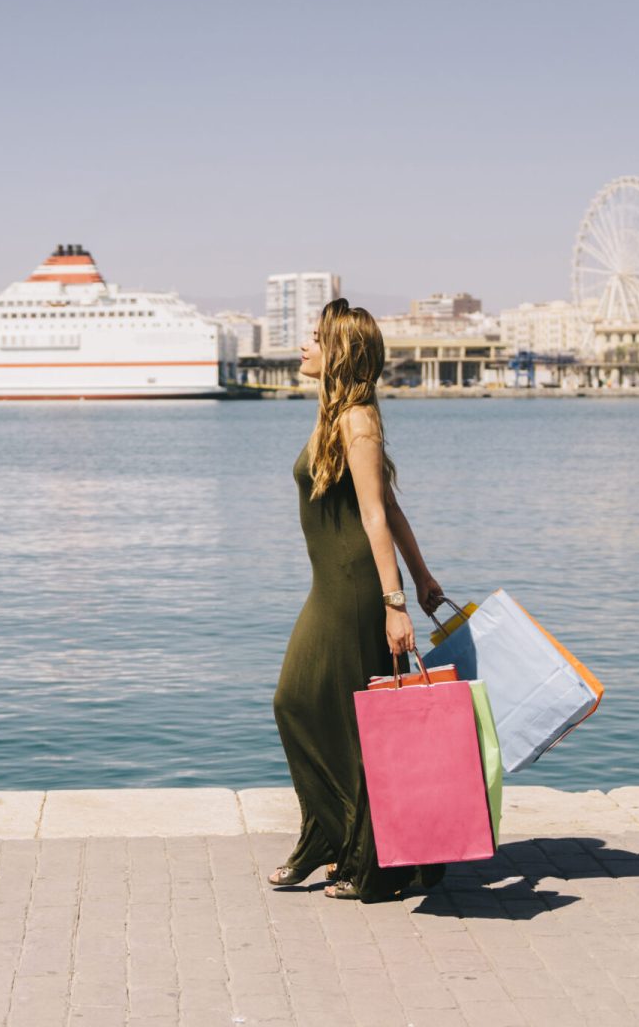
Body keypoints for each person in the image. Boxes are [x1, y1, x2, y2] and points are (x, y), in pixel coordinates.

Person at [270, 297, 447, 902]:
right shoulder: (335, 414)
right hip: (333, 584)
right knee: (317, 712)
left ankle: (359, 854)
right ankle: (337, 841)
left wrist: (396, 602)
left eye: (316, 338)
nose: (304, 345)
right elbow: (392, 505)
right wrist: (424, 577)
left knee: (304, 705)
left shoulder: (357, 422)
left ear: (340, 351)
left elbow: (375, 514)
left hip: (353, 589)